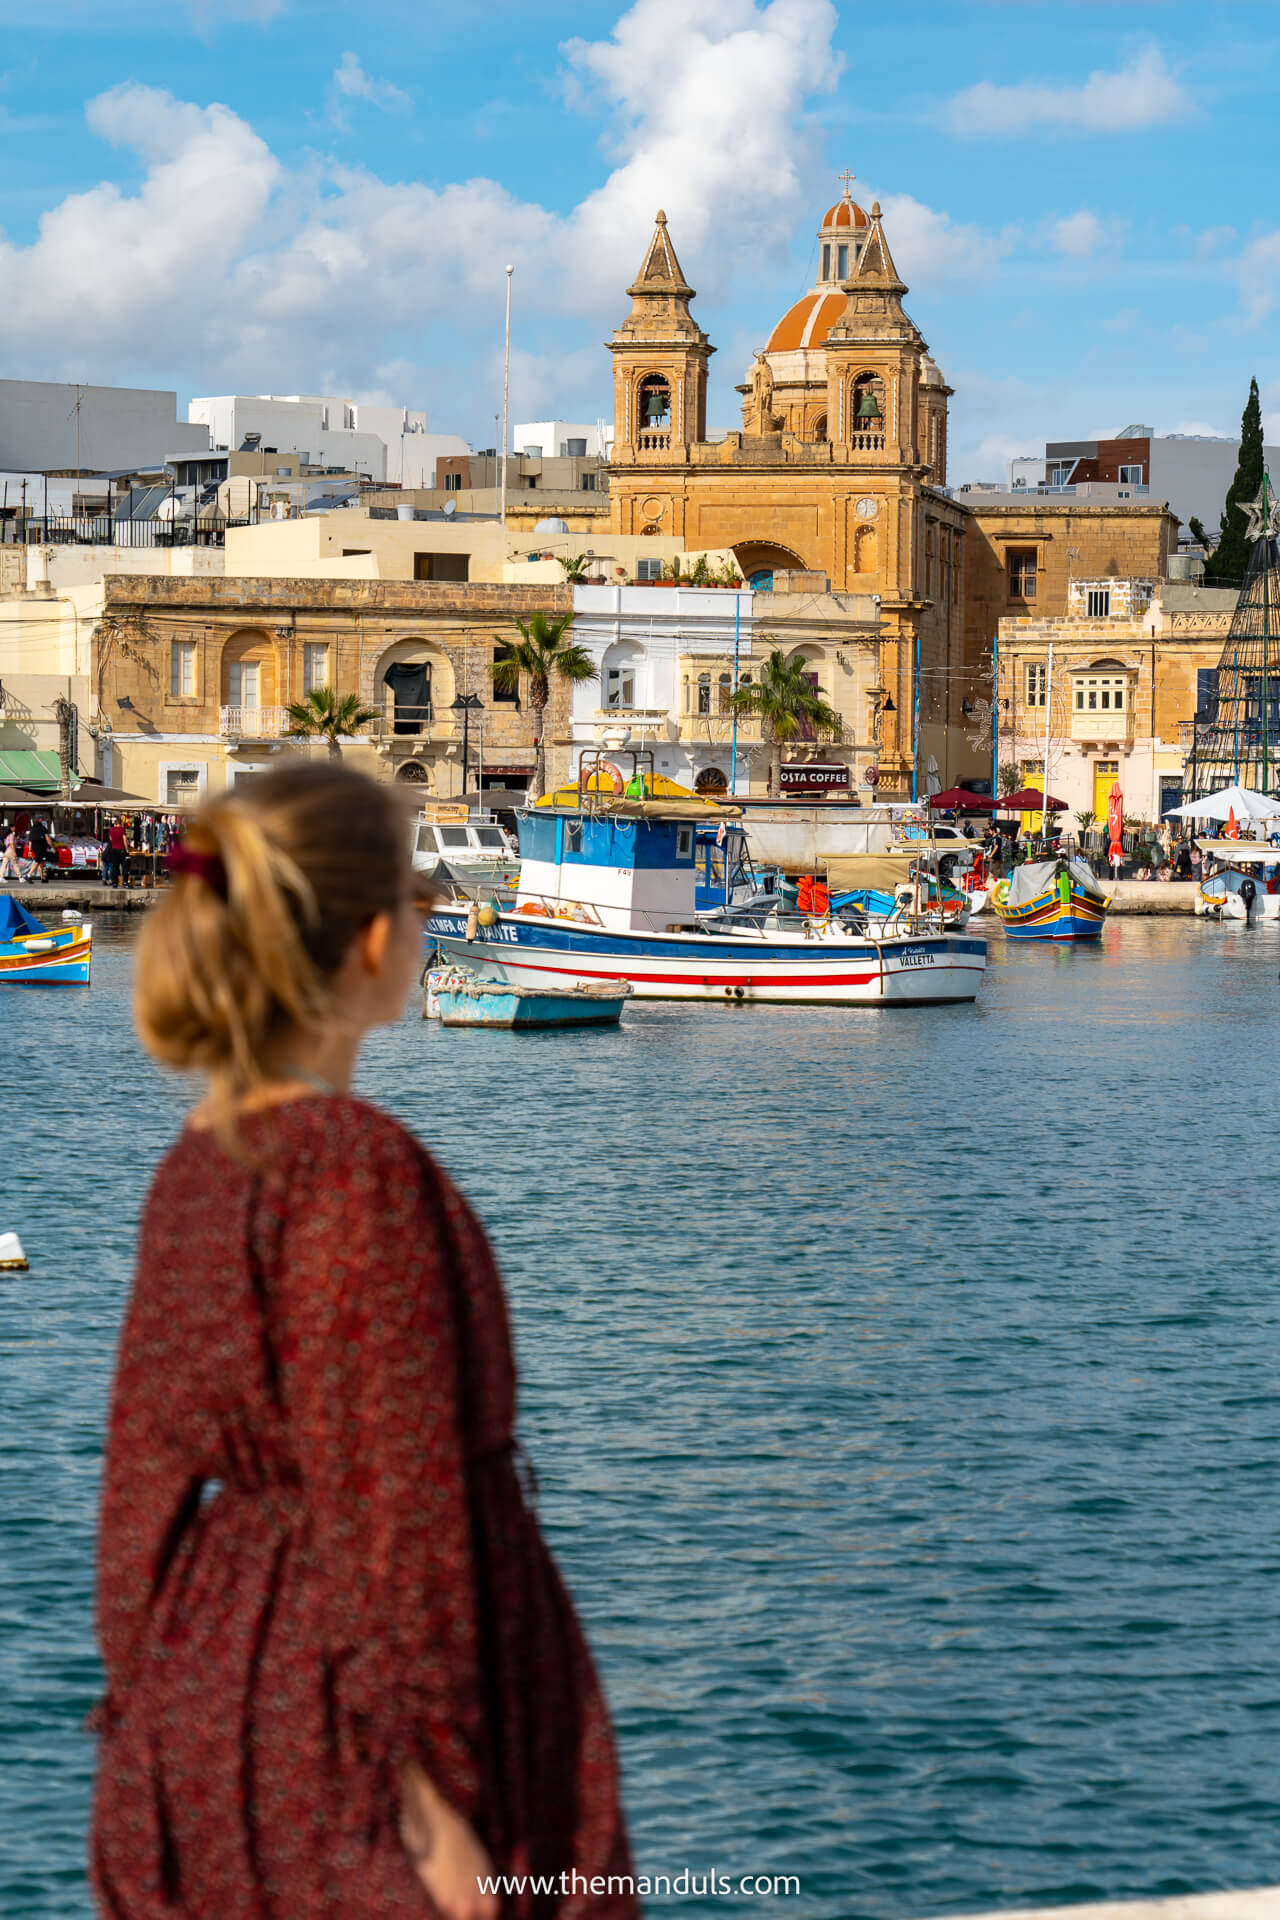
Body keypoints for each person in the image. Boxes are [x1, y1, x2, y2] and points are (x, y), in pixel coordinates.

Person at [90, 763, 636, 1920]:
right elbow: (397, 1509)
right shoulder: (353, 1172)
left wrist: (152, 1730)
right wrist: (431, 1798)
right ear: (373, 935)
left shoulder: (197, 1164)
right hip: (356, 1736)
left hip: (221, 1696)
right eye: (417, 891)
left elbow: (137, 1497)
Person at [26, 813, 51, 883]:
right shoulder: (43, 828)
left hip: (34, 847)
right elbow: (47, 838)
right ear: (39, 820)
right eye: (42, 819)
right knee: (38, 861)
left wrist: (30, 850)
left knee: (40, 862)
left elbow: (30, 841)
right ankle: (28, 875)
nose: (43, 820)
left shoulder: (32, 829)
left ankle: (43, 878)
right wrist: (51, 846)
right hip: (40, 847)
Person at [104, 817, 128, 889]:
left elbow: (111, 839)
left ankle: (115, 883)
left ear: (115, 823)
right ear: (121, 823)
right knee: (124, 867)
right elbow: (124, 840)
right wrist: (127, 849)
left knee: (115, 867)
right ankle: (125, 882)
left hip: (113, 850)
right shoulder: (122, 829)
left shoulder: (111, 830)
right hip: (121, 849)